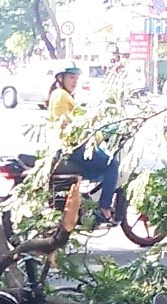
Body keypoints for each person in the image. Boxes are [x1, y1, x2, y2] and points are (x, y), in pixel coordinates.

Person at [47, 61, 120, 222]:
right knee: (111, 164)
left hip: (69, 146)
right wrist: (98, 134)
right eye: (71, 77)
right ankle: (104, 207)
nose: (75, 81)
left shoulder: (61, 95)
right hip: (71, 148)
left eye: (76, 78)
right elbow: (67, 127)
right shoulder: (61, 95)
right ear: (61, 78)